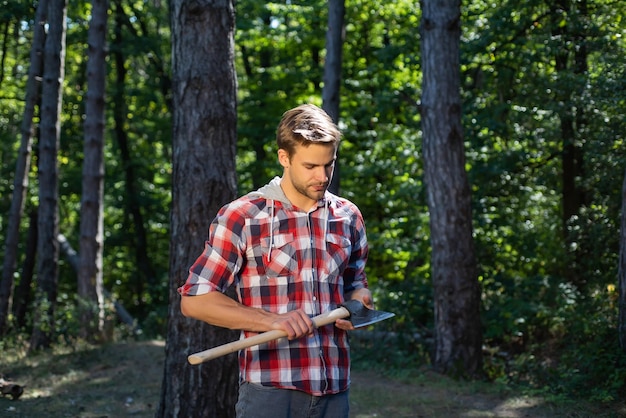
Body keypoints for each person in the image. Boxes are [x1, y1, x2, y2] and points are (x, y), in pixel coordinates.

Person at [178, 103, 373, 418]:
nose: (322, 177)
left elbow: (356, 284)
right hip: (270, 394)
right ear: (285, 158)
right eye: (310, 166)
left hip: (335, 390)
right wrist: (271, 321)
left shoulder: (348, 216)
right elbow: (195, 301)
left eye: (329, 164)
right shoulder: (243, 215)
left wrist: (359, 303)